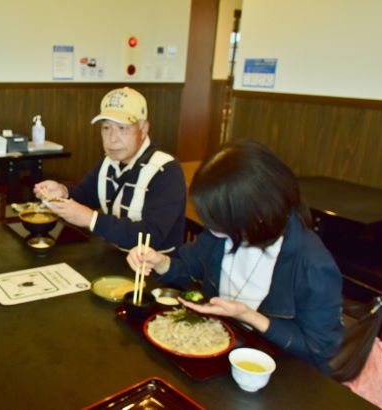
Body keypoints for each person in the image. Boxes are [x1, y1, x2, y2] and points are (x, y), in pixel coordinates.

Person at [126, 140, 343, 373]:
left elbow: (318, 349)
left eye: (218, 220)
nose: (210, 228)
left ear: (256, 213)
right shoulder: (221, 233)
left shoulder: (312, 264)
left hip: (274, 369)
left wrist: (249, 316)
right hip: (218, 351)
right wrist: (160, 262)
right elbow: (188, 269)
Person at [34, 87, 186, 253]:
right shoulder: (108, 162)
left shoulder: (166, 170)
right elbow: (86, 195)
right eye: (106, 128)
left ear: (143, 129)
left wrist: (91, 219)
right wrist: (63, 192)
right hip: (114, 255)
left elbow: (152, 235)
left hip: (153, 265)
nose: (112, 139)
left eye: (122, 128)